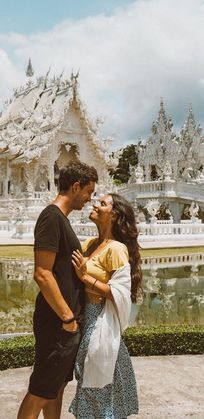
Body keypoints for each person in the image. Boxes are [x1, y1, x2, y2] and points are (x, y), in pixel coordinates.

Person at [17, 161, 98, 419]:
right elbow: (42, 274)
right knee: (41, 389)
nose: (89, 199)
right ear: (76, 187)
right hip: (58, 321)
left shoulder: (61, 219)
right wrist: (68, 319)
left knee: (57, 387)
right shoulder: (51, 217)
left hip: (65, 322)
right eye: (88, 192)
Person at [69, 193, 142, 419]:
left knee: (97, 382)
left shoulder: (116, 248)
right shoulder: (91, 244)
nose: (95, 205)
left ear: (114, 215)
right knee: (91, 381)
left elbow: (119, 292)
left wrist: (86, 279)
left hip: (101, 321)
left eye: (102, 204)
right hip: (86, 320)